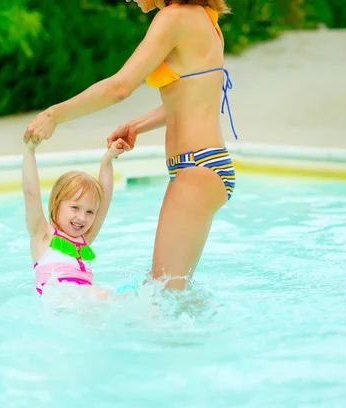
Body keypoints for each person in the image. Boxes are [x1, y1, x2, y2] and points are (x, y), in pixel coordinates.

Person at [23, 0, 238, 290]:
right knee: (168, 290)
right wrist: (136, 126)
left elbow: (119, 87)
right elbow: (188, 101)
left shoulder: (174, 17)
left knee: (164, 293)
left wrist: (55, 115)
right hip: (208, 165)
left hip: (195, 168)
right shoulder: (206, 20)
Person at [23, 139, 129, 295]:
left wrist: (107, 159)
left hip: (82, 303)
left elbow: (104, 201)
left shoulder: (84, 238)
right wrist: (30, 149)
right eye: (75, 208)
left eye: (90, 212)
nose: (82, 218)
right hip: (60, 299)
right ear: (57, 203)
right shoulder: (43, 234)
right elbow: (31, 194)